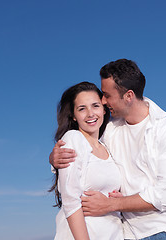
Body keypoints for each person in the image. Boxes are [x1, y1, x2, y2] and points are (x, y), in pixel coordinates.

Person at [49, 59, 166, 240]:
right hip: (127, 233)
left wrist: (110, 205)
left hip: (159, 231)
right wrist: (54, 159)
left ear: (128, 96)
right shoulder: (109, 129)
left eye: (106, 95)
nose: (102, 100)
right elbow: (80, 149)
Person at [50, 81, 124, 240]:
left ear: (104, 110)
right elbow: (71, 201)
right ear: (74, 116)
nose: (91, 113)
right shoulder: (73, 139)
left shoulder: (106, 146)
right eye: (82, 109)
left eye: (95, 106)